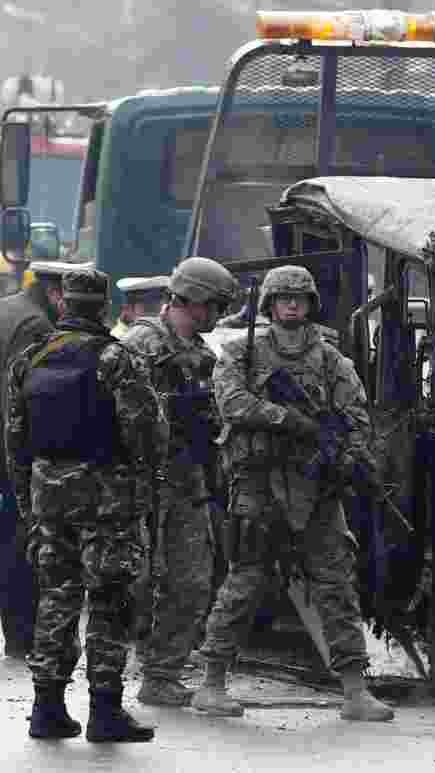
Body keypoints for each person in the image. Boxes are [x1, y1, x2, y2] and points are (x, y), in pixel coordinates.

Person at [192, 265, 393, 722]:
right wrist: (288, 420)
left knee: (336, 584)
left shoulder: (331, 361)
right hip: (260, 483)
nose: (291, 305)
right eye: (283, 298)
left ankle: (355, 690)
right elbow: (233, 405)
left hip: (315, 486)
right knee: (245, 582)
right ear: (268, 304)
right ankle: (211, 683)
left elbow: (355, 417)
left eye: (299, 299)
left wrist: (349, 456)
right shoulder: (241, 353)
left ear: (310, 305)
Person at [6, 268, 162, 742]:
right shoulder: (117, 358)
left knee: (56, 600)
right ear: (103, 308)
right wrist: (145, 489)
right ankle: (105, 711)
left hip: (49, 499)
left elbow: (15, 441)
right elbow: (146, 433)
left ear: (62, 305)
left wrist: (29, 505)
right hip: (108, 503)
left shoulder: (30, 359)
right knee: (109, 602)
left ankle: (46, 708)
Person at [123, 258, 237, 707]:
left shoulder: (206, 357)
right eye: (215, 304)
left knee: (191, 581)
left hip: (187, 480)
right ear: (192, 299)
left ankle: (162, 673)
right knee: (134, 580)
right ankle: (111, 674)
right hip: (141, 482)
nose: (219, 314)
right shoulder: (141, 345)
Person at [0, 261, 76, 659]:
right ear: (55, 293)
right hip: (9, 452)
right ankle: (21, 636)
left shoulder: (6, 307)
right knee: (21, 544)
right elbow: (17, 397)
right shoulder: (35, 327)